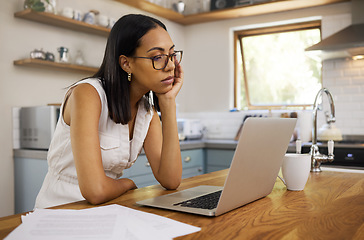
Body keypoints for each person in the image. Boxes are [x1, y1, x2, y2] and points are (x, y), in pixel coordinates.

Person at [34, 14, 184, 209]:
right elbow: (95, 191)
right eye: (157, 57)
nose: (170, 65)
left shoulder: (146, 111)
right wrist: (127, 183)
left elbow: (171, 180)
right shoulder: (87, 94)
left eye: (172, 55)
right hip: (62, 209)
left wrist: (169, 102)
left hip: (108, 210)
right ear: (126, 63)